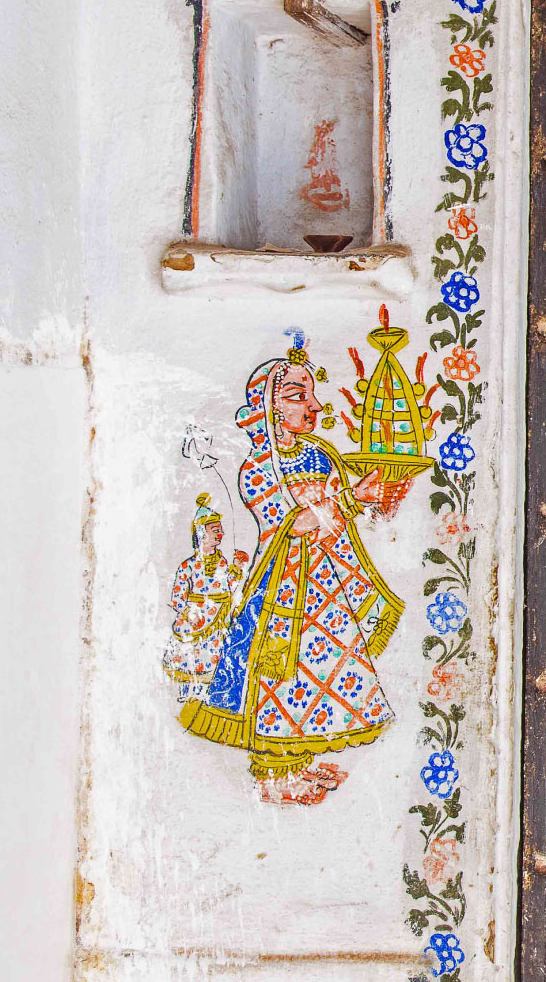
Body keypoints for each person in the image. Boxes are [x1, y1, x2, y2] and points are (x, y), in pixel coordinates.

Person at [178, 333, 401, 806]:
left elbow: (336, 514)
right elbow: (291, 523)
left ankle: (298, 762)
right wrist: (346, 499)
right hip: (283, 587)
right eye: (298, 396)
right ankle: (272, 777)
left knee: (323, 670)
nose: (313, 406)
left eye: (311, 394)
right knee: (279, 674)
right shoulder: (259, 468)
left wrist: (361, 502)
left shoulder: (319, 455)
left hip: (326, 582)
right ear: (270, 408)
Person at [160, 493, 248, 700]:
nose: (221, 534)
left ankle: (204, 693)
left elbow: (230, 587)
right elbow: (177, 597)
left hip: (218, 618)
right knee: (190, 654)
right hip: (196, 617)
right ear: (202, 534)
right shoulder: (188, 565)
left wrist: (237, 569)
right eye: (215, 530)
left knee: (212, 656)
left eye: (220, 530)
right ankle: (186, 690)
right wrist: (189, 612)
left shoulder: (223, 562)